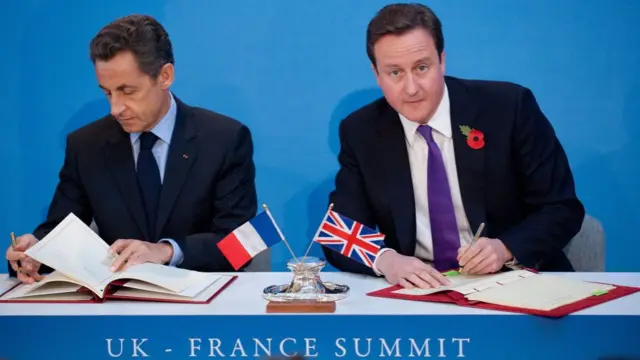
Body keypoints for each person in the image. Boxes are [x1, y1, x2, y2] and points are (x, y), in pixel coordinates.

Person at [324, 3, 585, 289]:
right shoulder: (362, 131)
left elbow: (561, 208)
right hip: (422, 292)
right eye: (395, 73)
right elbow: (340, 232)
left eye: (421, 68)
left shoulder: (508, 109)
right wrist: (387, 260)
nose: (411, 88)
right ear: (376, 74)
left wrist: (505, 249)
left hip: (516, 282)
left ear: (442, 61)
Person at [6, 14, 257, 283]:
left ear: (164, 76)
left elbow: (239, 244)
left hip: (201, 301)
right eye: (107, 93)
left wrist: (166, 251)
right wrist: (35, 252)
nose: (115, 108)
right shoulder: (86, 145)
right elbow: (59, 231)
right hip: (115, 306)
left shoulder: (224, 139)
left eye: (127, 91)